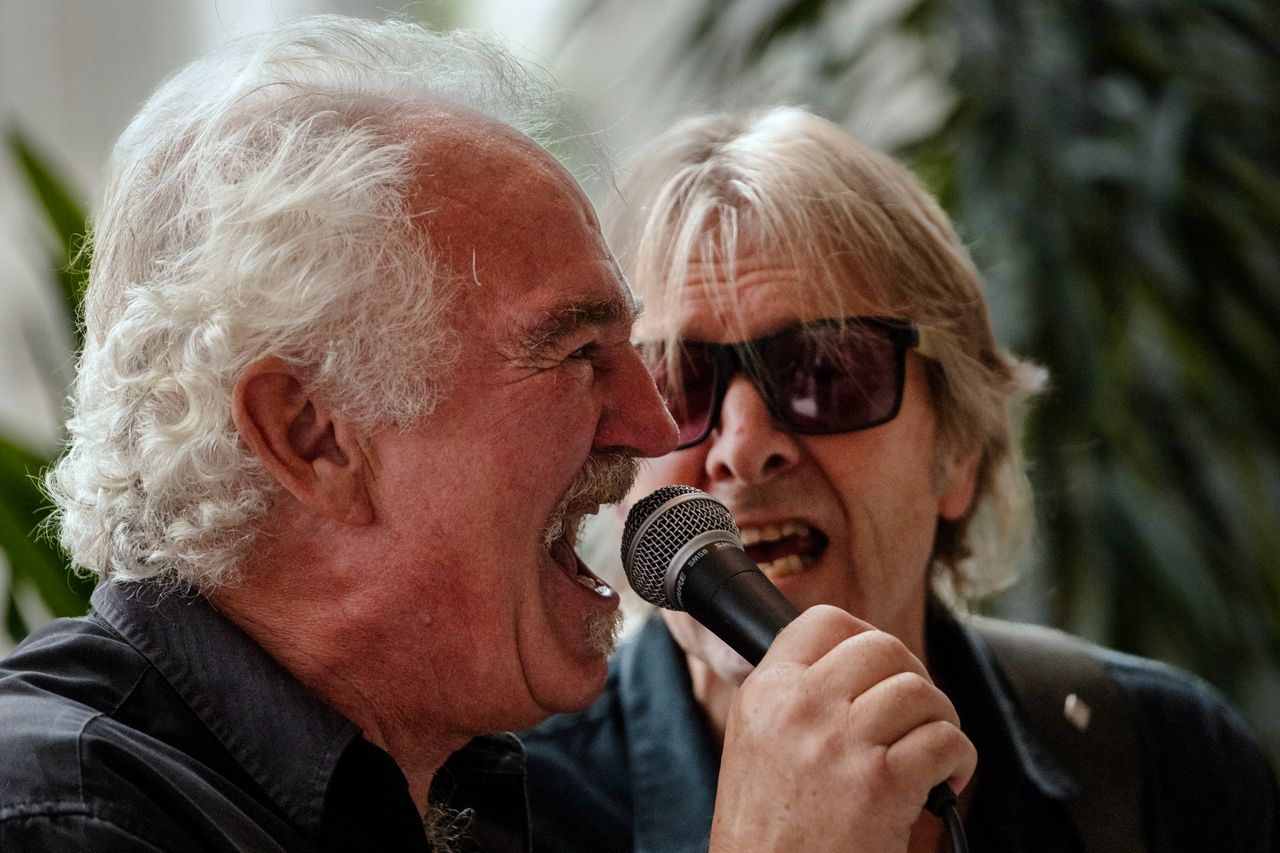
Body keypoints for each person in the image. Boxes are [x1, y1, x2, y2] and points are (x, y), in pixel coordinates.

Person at [0, 19, 978, 853]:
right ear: (313, 435)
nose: (649, 428)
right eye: (576, 352)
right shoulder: (59, 815)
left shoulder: (458, 792)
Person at [520, 106, 1280, 852]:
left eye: (826, 370)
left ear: (957, 452)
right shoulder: (511, 810)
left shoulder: (1171, 764)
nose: (744, 449)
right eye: (675, 385)